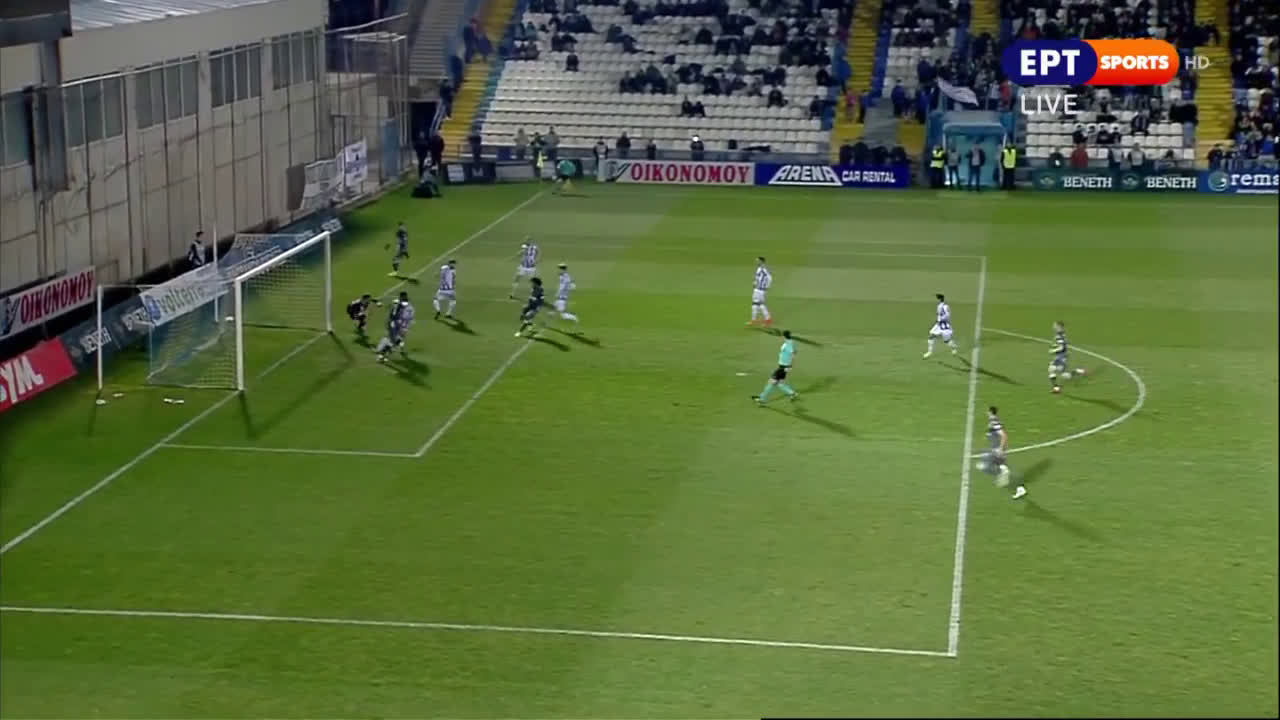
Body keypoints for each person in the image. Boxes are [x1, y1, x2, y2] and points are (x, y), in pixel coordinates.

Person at [976, 406, 1024, 499]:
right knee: (1003, 467)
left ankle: (1001, 473)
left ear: (990, 412)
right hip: (995, 448)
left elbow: (1004, 435)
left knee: (983, 466)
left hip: (997, 449)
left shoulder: (994, 422)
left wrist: (1001, 449)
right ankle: (1019, 488)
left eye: (987, 411)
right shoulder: (993, 421)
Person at [752, 330, 799, 405]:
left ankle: (761, 399)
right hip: (783, 366)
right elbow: (794, 351)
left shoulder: (788, 344)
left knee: (771, 382)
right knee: (779, 383)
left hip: (783, 367)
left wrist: (790, 366)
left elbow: (793, 354)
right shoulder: (789, 342)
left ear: (784, 336)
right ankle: (792, 393)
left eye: (782, 335)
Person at [1048, 320, 1086, 393]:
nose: (1053, 327)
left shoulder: (1059, 336)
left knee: (1051, 369)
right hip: (1062, 356)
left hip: (1061, 357)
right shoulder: (1061, 334)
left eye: (1055, 325)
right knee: (1065, 375)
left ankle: (1056, 388)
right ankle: (1078, 371)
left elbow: (1062, 347)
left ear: (1059, 327)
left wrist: (1053, 350)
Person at [375, 292, 415, 362]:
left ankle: (383, 353)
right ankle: (381, 354)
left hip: (397, 325)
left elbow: (406, 316)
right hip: (394, 324)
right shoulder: (398, 305)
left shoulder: (401, 304)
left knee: (395, 341)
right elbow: (394, 315)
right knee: (394, 341)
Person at [923, 293, 958, 358]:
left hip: (944, 325)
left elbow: (948, 315)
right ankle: (929, 352)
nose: (937, 300)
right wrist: (938, 320)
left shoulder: (945, 306)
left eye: (937, 298)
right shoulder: (939, 306)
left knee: (947, 341)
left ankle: (953, 348)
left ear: (940, 299)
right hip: (938, 325)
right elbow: (939, 315)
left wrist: (941, 319)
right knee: (931, 336)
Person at [746, 256, 772, 327]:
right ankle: (754, 320)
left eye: (758, 261)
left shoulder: (763, 269)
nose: (757, 262)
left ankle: (768, 319)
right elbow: (758, 278)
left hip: (760, 289)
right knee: (756, 304)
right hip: (757, 289)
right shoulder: (759, 268)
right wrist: (755, 283)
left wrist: (766, 286)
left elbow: (769, 277)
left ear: (761, 261)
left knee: (759, 304)